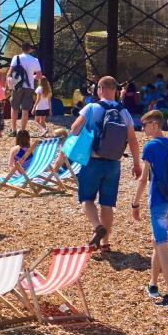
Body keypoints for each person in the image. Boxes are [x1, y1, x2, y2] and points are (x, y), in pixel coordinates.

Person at [66, 75, 141, 255]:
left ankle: (97, 226)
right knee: (107, 204)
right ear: (115, 90)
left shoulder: (91, 108)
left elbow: (74, 129)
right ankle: (105, 244)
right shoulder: (124, 112)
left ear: (99, 89)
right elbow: (133, 140)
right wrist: (136, 164)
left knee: (87, 199)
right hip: (114, 163)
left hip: (93, 160)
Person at [132, 110, 168, 309]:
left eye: (144, 125)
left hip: (159, 203)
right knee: (157, 242)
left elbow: (144, 179)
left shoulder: (151, 146)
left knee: (163, 249)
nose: (142, 129)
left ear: (154, 124)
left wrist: (135, 204)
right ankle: (153, 284)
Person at [9, 43, 42, 133]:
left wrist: (7, 85)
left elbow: (10, 72)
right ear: (30, 49)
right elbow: (39, 75)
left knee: (14, 107)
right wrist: (32, 77)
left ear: (22, 48)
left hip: (17, 86)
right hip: (29, 86)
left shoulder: (16, 58)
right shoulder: (34, 60)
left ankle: (14, 129)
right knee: (25, 109)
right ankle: (22, 130)